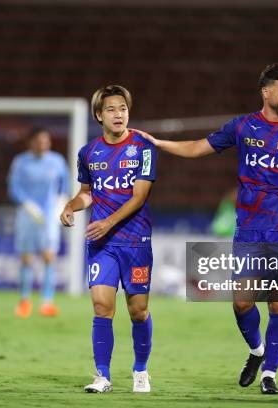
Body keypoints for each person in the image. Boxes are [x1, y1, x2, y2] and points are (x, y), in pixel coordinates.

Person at [136, 63, 278, 395]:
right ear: (267, 92)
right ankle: (258, 351)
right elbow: (199, 147)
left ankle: (270, 373)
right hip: (249, 229)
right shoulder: (243, 127)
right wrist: (159, 143)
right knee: (242, 302)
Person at [60, 85, 157, 394]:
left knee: (138, 311)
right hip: (103, 245)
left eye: (123, 109)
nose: (119, 114)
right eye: (112, 109)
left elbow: (140, 196)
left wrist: (108, 222)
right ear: (99, 115)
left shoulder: (143, 147)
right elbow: (87, 194)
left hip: (136, 241)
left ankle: (140, 370)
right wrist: (69, 206)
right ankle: (102, 375)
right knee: (102, 306)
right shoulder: (88, 153)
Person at [8, 127, 69, 318]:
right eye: (40, 141)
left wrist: (61, 201)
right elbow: (14, 187)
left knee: (49, 256)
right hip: (27, 215)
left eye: (46, 141)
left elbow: (65, 183)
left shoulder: (57, 161)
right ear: (31, 143)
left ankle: (47, 302)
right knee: (27, 258)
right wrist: (27, 204)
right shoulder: (21, 162)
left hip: (50, 215)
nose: (44, 144)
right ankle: (25, 300)